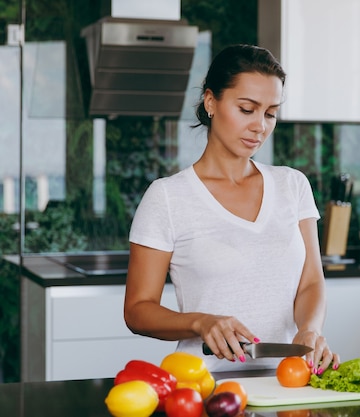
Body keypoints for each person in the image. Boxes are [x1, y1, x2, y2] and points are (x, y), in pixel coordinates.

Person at [124, 44, 339, 374]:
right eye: (247, 109)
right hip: (203, 385)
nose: (260, 126)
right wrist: (200, 322)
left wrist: (309, 329)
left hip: (287, 383)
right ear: (211, 101)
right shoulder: (168, 197)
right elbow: (138, 310)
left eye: (270, 113)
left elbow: (310, 282)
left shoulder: (292, 186)